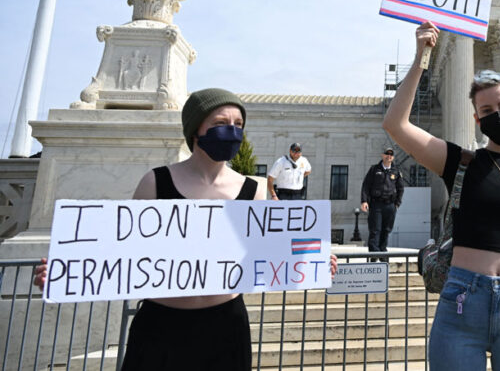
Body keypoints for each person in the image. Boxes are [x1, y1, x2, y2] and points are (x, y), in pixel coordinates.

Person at [33, 88, 339, 370]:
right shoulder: (155, 182)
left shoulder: (254, 190)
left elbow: (273, 251)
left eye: (238, 123)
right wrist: (64, 269)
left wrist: (315, 260)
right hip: (162, 326)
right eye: (221, 122)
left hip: (226, 326)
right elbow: (119, 250)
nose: (231, 130)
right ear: (196, 130)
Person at [383, 22, 500, 371]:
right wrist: (421, 58)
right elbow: (396, 125)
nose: (496, 114)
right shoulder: (460, 162)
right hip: (462, 301)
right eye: (486, 111)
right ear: (477, 119)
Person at [360, 147, 405, 262]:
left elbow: (400, 188)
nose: (388, 156)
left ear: (393, 157)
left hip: (390, 205)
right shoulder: (374, 169)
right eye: (386, 154)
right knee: (375, 230)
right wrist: (364, 201)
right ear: (382, 155)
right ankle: (374, 254)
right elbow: (366, 186)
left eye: (391, 154)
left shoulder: (396, 171)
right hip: (376, 204)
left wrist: (397, 203)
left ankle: (382, 252)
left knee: (386, 230)